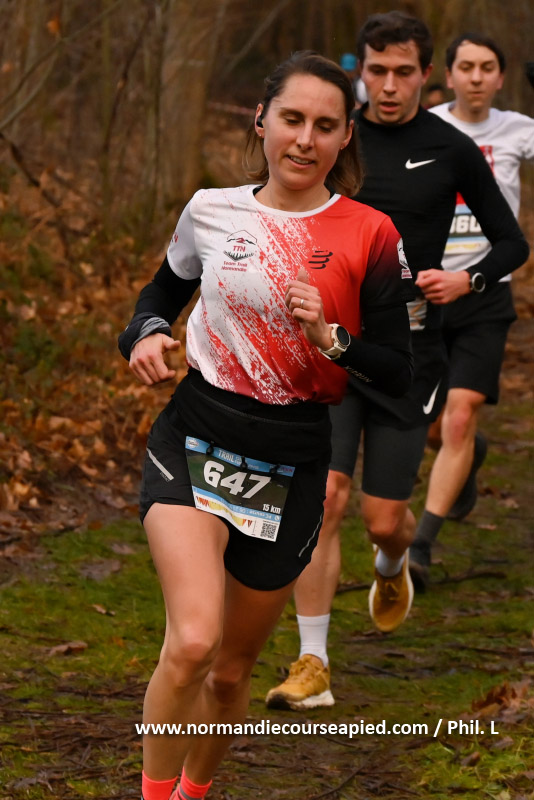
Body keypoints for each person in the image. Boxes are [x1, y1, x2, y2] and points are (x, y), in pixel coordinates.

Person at [118, 51, 416, 800]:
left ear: (345, 137)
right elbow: (159, 295)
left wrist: (333, 341)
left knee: (228, 674)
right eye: (291, 119)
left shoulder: (371, 233)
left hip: (292, 460)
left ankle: (194, 791)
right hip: (195, 436)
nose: (305, 139)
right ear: (261, 120)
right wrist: (146, 334)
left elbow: (397, 370)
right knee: (193, 640)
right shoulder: (211, 210)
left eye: (325, 125)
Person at [265, 11, 529, 712]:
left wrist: (467, 279)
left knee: (384, 519)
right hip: (330, 348)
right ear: (360, 71)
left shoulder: (451, 148)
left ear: (426, 74)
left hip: (410, 356)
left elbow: (512, 243)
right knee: (325, 498)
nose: (387, 86)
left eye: (403, 72)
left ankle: (393, 560)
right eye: (376, 71)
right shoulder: (333, 136)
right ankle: (313, 662)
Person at [409, 33, 534, 591]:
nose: (477, 77)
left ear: (500, 78)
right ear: (449, 75)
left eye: (487, 67)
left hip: (485, 293)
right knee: (436, 426)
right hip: (428, 293)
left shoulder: (517, 130)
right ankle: (470, 454)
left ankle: (420, 546)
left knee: (460, 415)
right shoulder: (426, 126)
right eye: (467, 67)